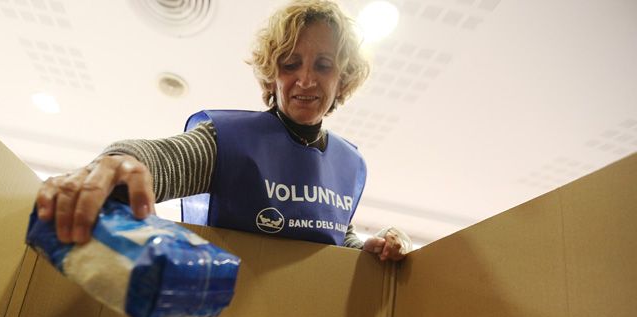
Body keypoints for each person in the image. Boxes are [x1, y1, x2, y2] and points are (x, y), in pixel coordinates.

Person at [36, 0, 410, 261]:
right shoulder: (230, 141)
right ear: (272, 75)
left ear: (343, 78)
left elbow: (334, 236)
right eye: (290, 64)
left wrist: (369, 249)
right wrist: (121, 161)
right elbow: (164, 159)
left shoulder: (351, 165)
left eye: (324, 65)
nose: (306, 79)